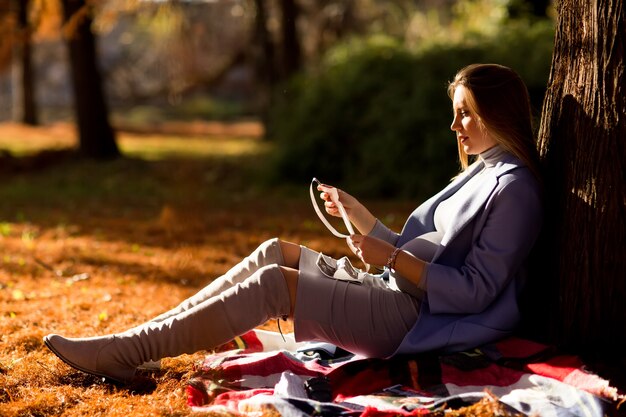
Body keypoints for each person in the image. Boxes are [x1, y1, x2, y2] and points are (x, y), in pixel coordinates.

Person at [44, 63, 543, 384]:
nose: (455, 126)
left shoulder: (515, 188)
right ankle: (137, 342)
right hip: (396, 290)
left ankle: (124, 351)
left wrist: (391, 258)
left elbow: (476, 290)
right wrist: (365, 221)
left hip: (416, 322)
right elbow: (424, 249)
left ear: (495, 113)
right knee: (272, 251)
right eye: (455, 113)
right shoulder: (485, 168)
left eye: (465, 114)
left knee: (273, 285)